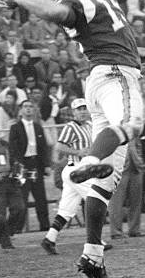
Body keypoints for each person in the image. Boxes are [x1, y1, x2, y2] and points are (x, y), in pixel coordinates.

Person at [0, 0, 144, 277]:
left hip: (103, 78)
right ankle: (88, 161)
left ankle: (92, 255)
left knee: (105, 184)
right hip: (114, 75)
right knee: (132, 125)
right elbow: (58, 11)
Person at [41, 98, 93, 255]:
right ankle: (95, 240)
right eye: (79, 109)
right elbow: (59, 146)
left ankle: (49, 239)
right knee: (94, 199)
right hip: (75, 169)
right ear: (73, 112)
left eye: (85, 108)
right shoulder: (70, 127)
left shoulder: (90, 125)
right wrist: (78, 152)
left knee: (66, 209)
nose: (83, 111)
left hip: (84, 169)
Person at [9, 99, 51, 232]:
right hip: (22, 165)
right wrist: (18, 168)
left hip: (35, 164)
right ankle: (17, 228)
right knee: (22, 196)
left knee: (40, 197)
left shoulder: (38, 127)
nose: (28, 109)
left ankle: (45, 226)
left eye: (30, 107)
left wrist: (46, 165)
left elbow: (43, 148)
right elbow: (13, 149)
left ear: (34, 110)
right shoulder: (15, 128)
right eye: (25, 107)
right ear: (20, 110)